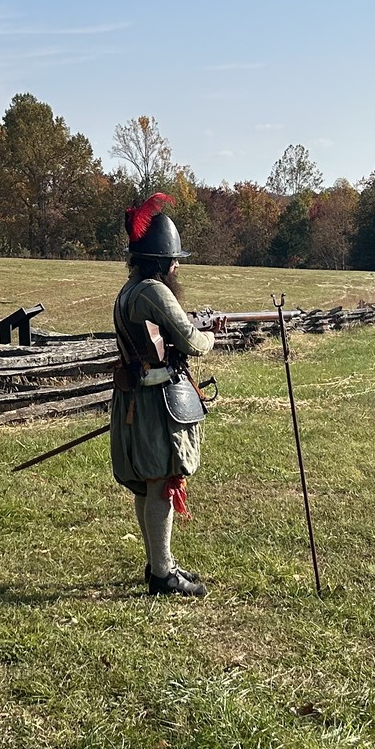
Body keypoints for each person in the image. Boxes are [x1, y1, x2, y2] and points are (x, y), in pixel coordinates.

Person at [110, 193, 216, 597]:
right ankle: (162, 575)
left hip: (137, 398)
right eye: (173, 259)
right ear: (160, 260)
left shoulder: (130, 289)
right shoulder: (154, 290)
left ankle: (159, 562)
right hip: (155, 402)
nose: (177, 266)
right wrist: (211, 335)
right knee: (159, 483)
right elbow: (191, 341)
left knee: (149, 484)